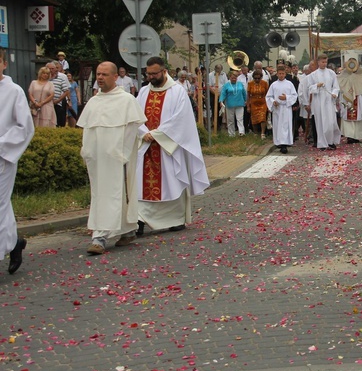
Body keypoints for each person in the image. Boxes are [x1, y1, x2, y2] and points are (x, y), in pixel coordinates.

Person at [78, 61, 147, 255]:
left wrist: (122, 153)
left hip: (117, 156)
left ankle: (99, 236)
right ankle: (127, 230)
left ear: (115, 77)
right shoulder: (94, 101)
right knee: (101, 193)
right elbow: (88, 130)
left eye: (104, 74)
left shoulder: (126, 100)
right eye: (98, 74)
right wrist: (86, 151)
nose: (100, 77)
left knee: (115, 192)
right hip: (97, 158)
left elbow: (132, 129)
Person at [135, 57, 210, 236]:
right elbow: (135, 115)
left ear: (164, 71)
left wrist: (156, 134)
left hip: (168, 147)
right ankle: (140, 220)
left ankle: (175, 219)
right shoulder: (144, 91)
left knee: (172, 181)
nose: (151, 77)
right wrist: (142, 132)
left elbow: (180, 120)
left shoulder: (177, 92)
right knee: (140, 182)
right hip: (146, 145)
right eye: (148, 74)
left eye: (154, 73)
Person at [0, 49, 34, 273]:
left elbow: (25, 127)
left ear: (3, 64)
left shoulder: (13, 91)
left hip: (2, 157)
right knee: (3, 206)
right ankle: (14, 244)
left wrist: (2, 144)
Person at [308, 54, 341, 150]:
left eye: (326, 62)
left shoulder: (331, 73)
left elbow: (336, 86)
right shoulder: (313, 75)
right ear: (318, 62)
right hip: (318, 100)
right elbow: (310, 88)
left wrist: (335, 93)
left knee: (331, 122)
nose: (324, 64)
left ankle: (331, 141)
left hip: (329, 99)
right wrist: (316, 86)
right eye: (322, 62)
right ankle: (322, 143)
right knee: (320, 122)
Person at [338, 58, 362, 144]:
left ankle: (357, 136)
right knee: (348, 118)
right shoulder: (343, 74)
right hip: (347, 99)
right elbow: (340, 84)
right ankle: (349, 136)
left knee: (359, 117)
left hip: (359, 98)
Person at [265, 64, 297, 154]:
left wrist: (286, 97)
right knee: (278, 126)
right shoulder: (274, 85)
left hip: (286, 108)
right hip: (277, 108)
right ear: (277, 74)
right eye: (279, 73)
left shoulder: (289, 84)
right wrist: (273, 101)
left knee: (285, 126)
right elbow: (268, 96)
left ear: (285, 74)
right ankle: (279, 143)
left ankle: (285, 144)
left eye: (283, 73)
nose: (281, 75)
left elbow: (294, 95)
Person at [219, 71, 247, 137]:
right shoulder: (226, 85)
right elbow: (223, 94)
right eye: (232, 78)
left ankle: (241, 132)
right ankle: (231, 134)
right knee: (230, 120)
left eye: (235, 78)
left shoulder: (240, 84)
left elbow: (244, 92)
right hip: (230, 104)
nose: (234, 79)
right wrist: (221, 101)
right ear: (229, 78)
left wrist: (246, 100)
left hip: (240, 103)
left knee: (240, 118)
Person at [246, 69, 269, 139]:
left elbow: (268, 94)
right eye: (255, 78)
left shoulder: (265, 83)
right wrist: (248, 106)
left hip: (263, 102)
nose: (257, 80)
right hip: (253, 102)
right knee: (254, 118)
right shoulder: (250, 84)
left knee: (263, 117)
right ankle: (255, 132)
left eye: (258, 78)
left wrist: (268, 104)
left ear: (261, 77)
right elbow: (248, 95)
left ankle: (262, 133)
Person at [47, 61, 70, 127]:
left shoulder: (61, 77)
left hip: (57, 104)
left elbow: (66, 90)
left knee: (58, 122)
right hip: (46, 104)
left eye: (52, 68)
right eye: (49, 69)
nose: (51, 70)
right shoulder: (44, 78)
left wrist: (58, 100)